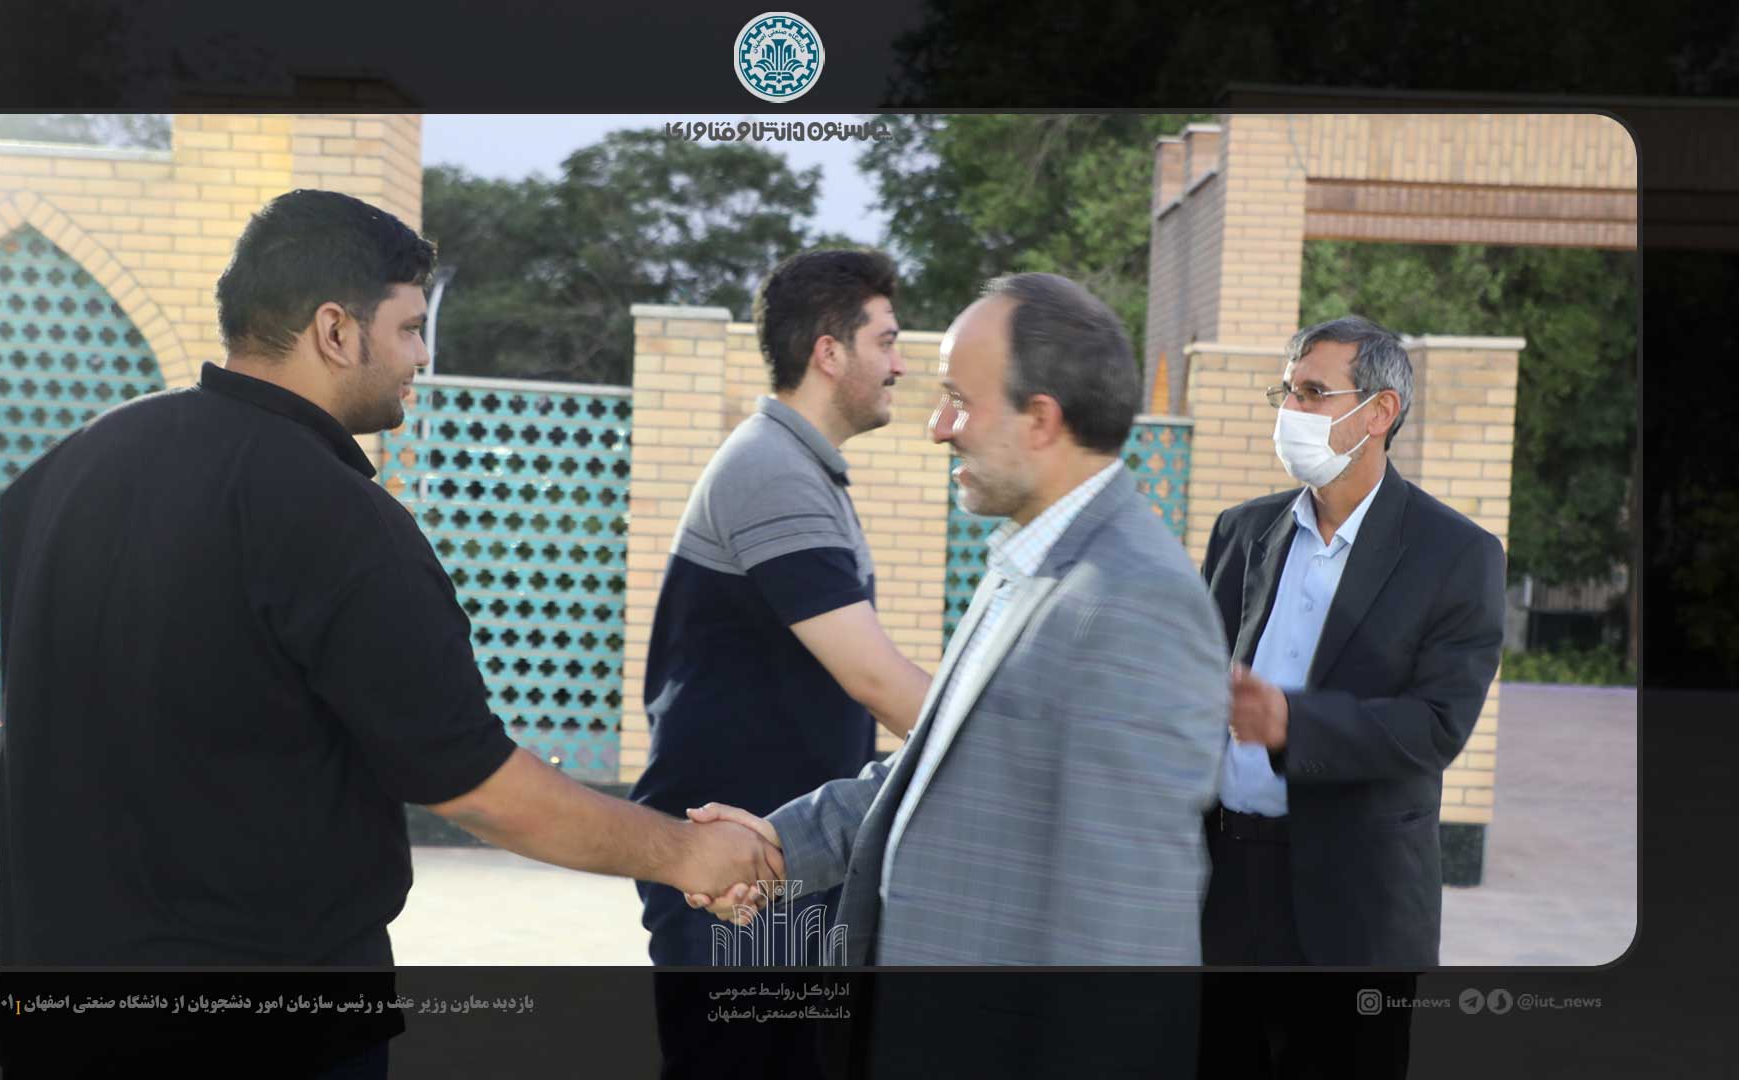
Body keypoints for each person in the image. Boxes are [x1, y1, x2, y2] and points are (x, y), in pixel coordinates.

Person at [0, 190, 780, 1076]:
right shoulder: (332, 512)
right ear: (335, 330)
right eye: (408, 327)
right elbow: (474, 785)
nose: (423, 355)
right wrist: (688, 853)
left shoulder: (67, 470)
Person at [687, 273, 1228, 1077]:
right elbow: (943, 769)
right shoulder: (1030, 563)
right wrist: (778, 843)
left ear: (1040, 419)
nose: (939, 428)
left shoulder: (1132, 600)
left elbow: (1125, 939)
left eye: (958, 401)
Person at [626, 249, 932, 1077]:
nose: (901, 365)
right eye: (887, 341)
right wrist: (1000, 758)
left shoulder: (802, 469)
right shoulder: (771, 470)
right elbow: (874, 678)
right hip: (728, 870)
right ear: (829, 352)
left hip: (778, 860)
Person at [1193, 315, 1507, 1079]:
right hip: (1226, 886)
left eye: (1312, 393)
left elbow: (1436, 726)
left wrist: (1291, 723)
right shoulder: (1242, 531)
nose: (1291, 412)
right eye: (1287, 392)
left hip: (1355, 906)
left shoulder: (1456, 555)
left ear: (1379, 413)